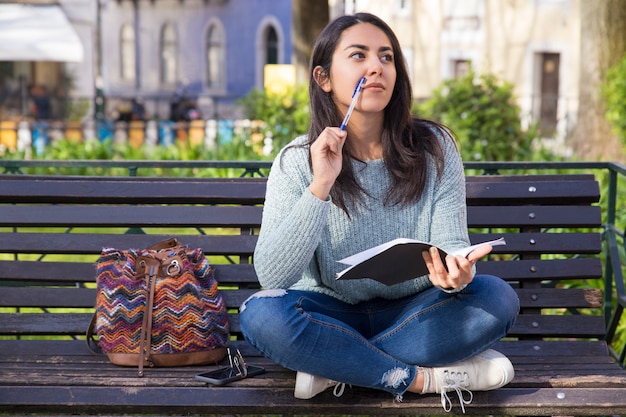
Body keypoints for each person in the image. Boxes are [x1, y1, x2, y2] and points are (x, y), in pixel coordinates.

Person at [239, 12, 519, 413]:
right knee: (260, 314)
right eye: (359, 55)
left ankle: (335, 365)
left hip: (415, 312)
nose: (376, 67)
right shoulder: (298, 161)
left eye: (386, 57)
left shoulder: (435, 148)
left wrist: (456, 274)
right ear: (324, 78)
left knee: (497, 297)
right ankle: (419, 379)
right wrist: (321, 185)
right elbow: (272, 277)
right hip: (329, 313)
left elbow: (451, 242)